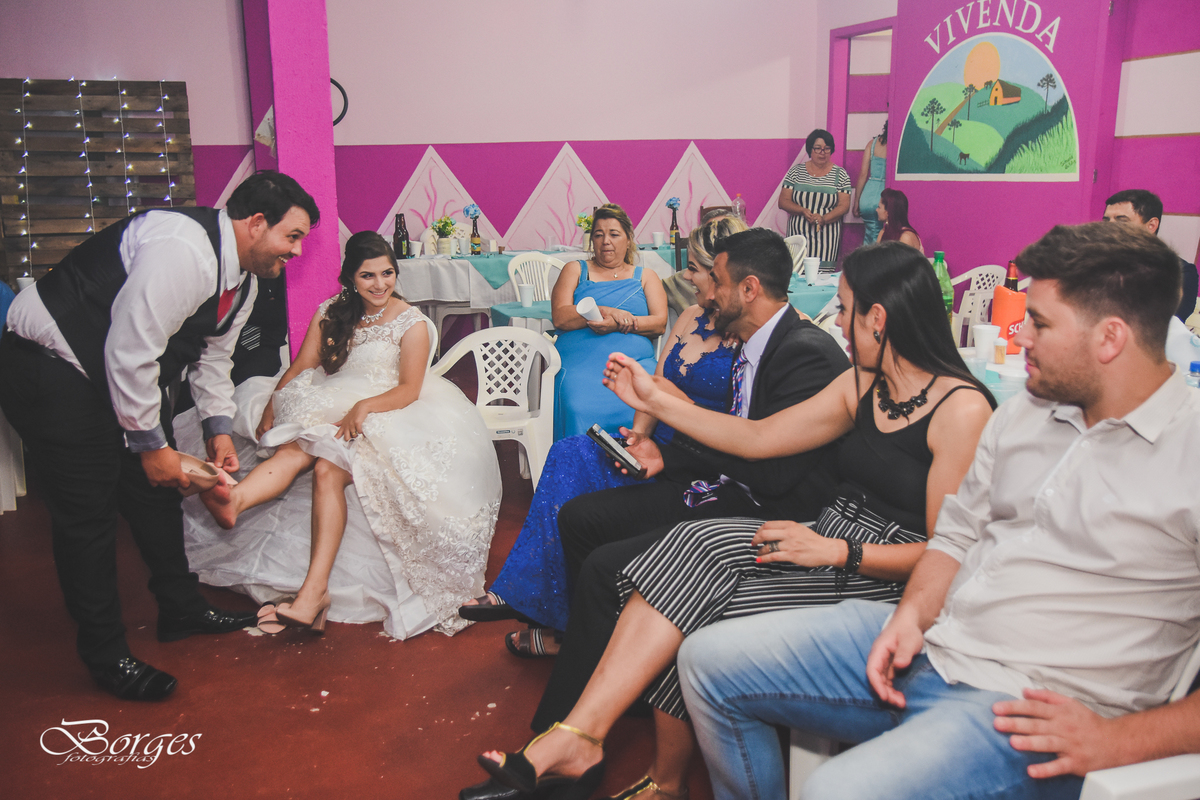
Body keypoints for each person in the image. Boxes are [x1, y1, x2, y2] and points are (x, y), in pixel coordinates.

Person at [677, 222, 1200, 800]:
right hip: (935, 643)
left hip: (1025, 703)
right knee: (705, 662)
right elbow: (953, 537)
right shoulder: (1027, 412)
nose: (1021, 336)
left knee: (836, 790)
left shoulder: (1188, 453)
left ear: (1110, 338)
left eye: (1040, 323)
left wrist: (1118, 740)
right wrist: (911, 617)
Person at [467, 241, 996, 800]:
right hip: (826, 536)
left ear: (879, 319)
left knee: (691, 602)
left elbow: (949, 553)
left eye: (844, 309)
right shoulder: (863, 384)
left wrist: (840, 551)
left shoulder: (961, 409)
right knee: (686, 545)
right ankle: (583, 737)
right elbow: (758, 438)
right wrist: (656, 400)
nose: (838, 323)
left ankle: (620, 760)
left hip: (884, 572)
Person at [0, 170, 318, 700]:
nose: (297, 251)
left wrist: (217, 428)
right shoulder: (183, 249)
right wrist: (151, 446)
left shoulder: (244, 279)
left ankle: (181, 609)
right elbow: (130, 350)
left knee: (156, 496)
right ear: (257, 223)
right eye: (293, 236)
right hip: (52, 368)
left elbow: (213, 356)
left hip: (114, 378)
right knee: (89, 514)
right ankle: (106, 656)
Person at [190, 232, 501, 638]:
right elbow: (303, 365)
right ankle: (235, 501)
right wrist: (273, 404)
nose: (380, 284)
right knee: (298, 447)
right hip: (334, 404)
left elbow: (409, 389)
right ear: (350, 277)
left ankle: (312, 595)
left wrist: (364, 407)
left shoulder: (411, 322)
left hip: (394, 412)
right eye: (368, 275)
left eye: (387, 273)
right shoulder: (331, 311)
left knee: (326, 469)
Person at [457, 216, 746, 652]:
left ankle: (563, 632)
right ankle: (523, 593)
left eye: (695, 269)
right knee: (568, 453)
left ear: (727, 275)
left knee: (586, 500)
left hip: (696, 467)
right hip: (657, 443)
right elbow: (658, 383)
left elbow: (743, 428)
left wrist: (660, 438)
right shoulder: (690, 316)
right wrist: (638, 436)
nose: (686, 277)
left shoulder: (751, 336)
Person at [552, 204, 667, 440]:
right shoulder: (575, 270)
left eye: (614, 234)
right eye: (598, 235)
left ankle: (638, 456)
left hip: (633, 362)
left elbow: (659, 323)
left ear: (628, 239)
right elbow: (561, 317)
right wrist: (603, 310)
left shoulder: (646, 276)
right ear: (592, 241)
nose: (606, 241)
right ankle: (580, 460)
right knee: (578, 404)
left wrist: (620, 324)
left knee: (650, 399)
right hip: (580, 362)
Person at [1102, 189, 1198, 322]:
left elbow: (1163, 324)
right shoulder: (1097, 263)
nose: (1110, 228)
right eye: (1106, 221)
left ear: (1151, 225)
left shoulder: (1180, 273)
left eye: (1122, 221)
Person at [779, 129, 852, 262]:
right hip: (798, 236)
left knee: (823, 273)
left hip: (827, 237)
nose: (822, 152)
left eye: (827, 148)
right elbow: (783, 201)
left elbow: (844, 206)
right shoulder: (796, 172)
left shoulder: (841, 174)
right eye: (818, 148)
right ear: (810, 150)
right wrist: (802, 210)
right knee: (797, 270)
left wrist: (824, 218)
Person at [855, 121, 888, 245]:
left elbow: (863, 174)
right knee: (880, 237)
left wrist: (856, 202)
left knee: (870, 233)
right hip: (884, 196)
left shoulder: (872, 144)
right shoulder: (897, 145)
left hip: (867, 195)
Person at [876, 188, 923, 253]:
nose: (876, 210)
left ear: (888, 212)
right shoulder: (882, 232)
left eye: (879, 207)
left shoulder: (906, 237)